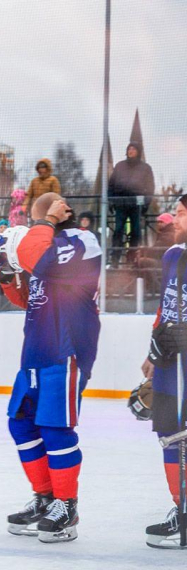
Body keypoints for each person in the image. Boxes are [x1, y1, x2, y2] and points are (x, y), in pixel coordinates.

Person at [0, 192, 101, 543]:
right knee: (22, 423)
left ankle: (66, 506)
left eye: (36, 217)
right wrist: (0, 271)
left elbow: (32, 252)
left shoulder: (81, 240)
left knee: (56, 428)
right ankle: (45, 499)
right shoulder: (46, 245)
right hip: (36, 350)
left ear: (60, 213)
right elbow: (28, 297)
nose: (31, 225)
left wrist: (43, 224)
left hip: (67, 347)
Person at [137, 193, 187, 548]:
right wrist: (153, 352)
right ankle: (181, 510)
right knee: (169, 434)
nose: (175, 218)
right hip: (169, 359)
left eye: (182, 213)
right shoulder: (173, 256)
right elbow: (166, 305)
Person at [109, 142, 156, 255]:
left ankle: (133, 258)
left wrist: (145, 204)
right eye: (129, 149)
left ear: (138, 151)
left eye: (134, 149)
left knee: (136, 231)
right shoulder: (120, 166)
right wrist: (111, 201)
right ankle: (115, 257)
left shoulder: (145, 168)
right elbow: (111, 185)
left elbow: (150, 188)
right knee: (118, 230)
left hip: (137, 203)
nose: (131, 151)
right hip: (121, 202)